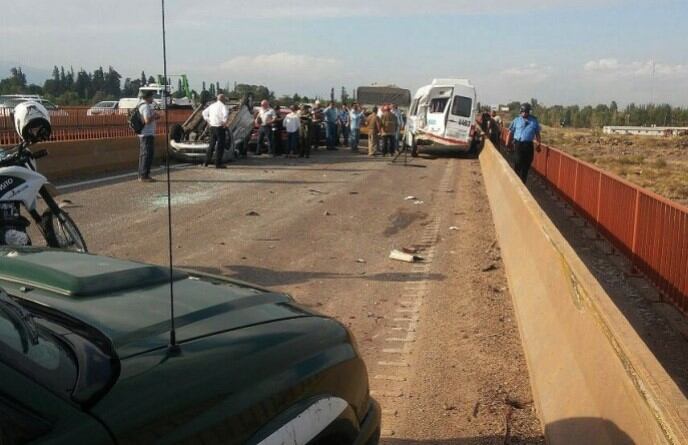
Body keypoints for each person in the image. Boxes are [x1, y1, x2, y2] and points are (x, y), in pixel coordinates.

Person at [505, 103, 542, 184]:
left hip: (528, 146)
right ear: (520, 111)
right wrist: (507, 144)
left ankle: (523, 184)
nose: (525, 113)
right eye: (523, 112)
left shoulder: (534, 121)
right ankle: (516, 183)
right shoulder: (516, 120)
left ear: (529, 112)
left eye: (526, 112)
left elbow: (537, 134)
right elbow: (510, 133)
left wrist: (539, 144)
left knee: (526, 166)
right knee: (518, 163)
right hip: (518, 145)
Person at [201, 93, 230, 168]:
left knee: (211, 145)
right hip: (219, 127)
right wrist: (224, 122)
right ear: (223, 99)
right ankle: (218, 163)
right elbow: (225, 114)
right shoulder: (223, 106)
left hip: (212, 127)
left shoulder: (212, 106)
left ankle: (206, 162)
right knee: (220, 146)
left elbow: (204, 113)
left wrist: (208, 120)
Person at [137, 90, 159, 182]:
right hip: (147, 134)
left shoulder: (141, 105)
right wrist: (154, 116)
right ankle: (144, 175)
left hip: (144, 134)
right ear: (148, 97)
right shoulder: (145, 107)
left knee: (143, 155)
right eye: (151, 97)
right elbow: (147, 120)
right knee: (147, 155)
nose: (152, 98)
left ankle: (142, 174)